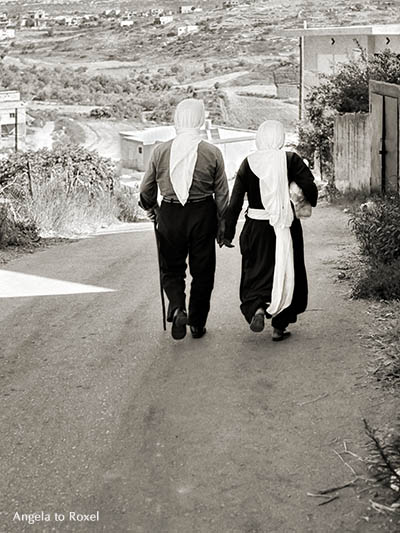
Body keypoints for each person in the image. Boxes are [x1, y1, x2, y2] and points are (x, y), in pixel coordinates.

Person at [139, 98, 230, 340]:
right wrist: (223, 225)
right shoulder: (212, 153)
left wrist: (152, 209)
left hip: (170, 213)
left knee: (171, 267)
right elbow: (222, 194)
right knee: (203, 271)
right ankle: (197, 323)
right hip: (203, 213)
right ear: (200, 119)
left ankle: (178, 306)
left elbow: (146, 189)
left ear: (178, 119)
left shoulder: (161, 151)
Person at [223, 120, 318, 341]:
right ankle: (279, 326)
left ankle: (257, 308)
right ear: (280, 137)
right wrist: (304, 198)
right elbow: (310, 188)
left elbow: (235, 200)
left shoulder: (248, 163)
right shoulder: (290, 159)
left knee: (255, 271)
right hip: (285, 225)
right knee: (286, 270)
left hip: (255, 227)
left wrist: (227, 232)